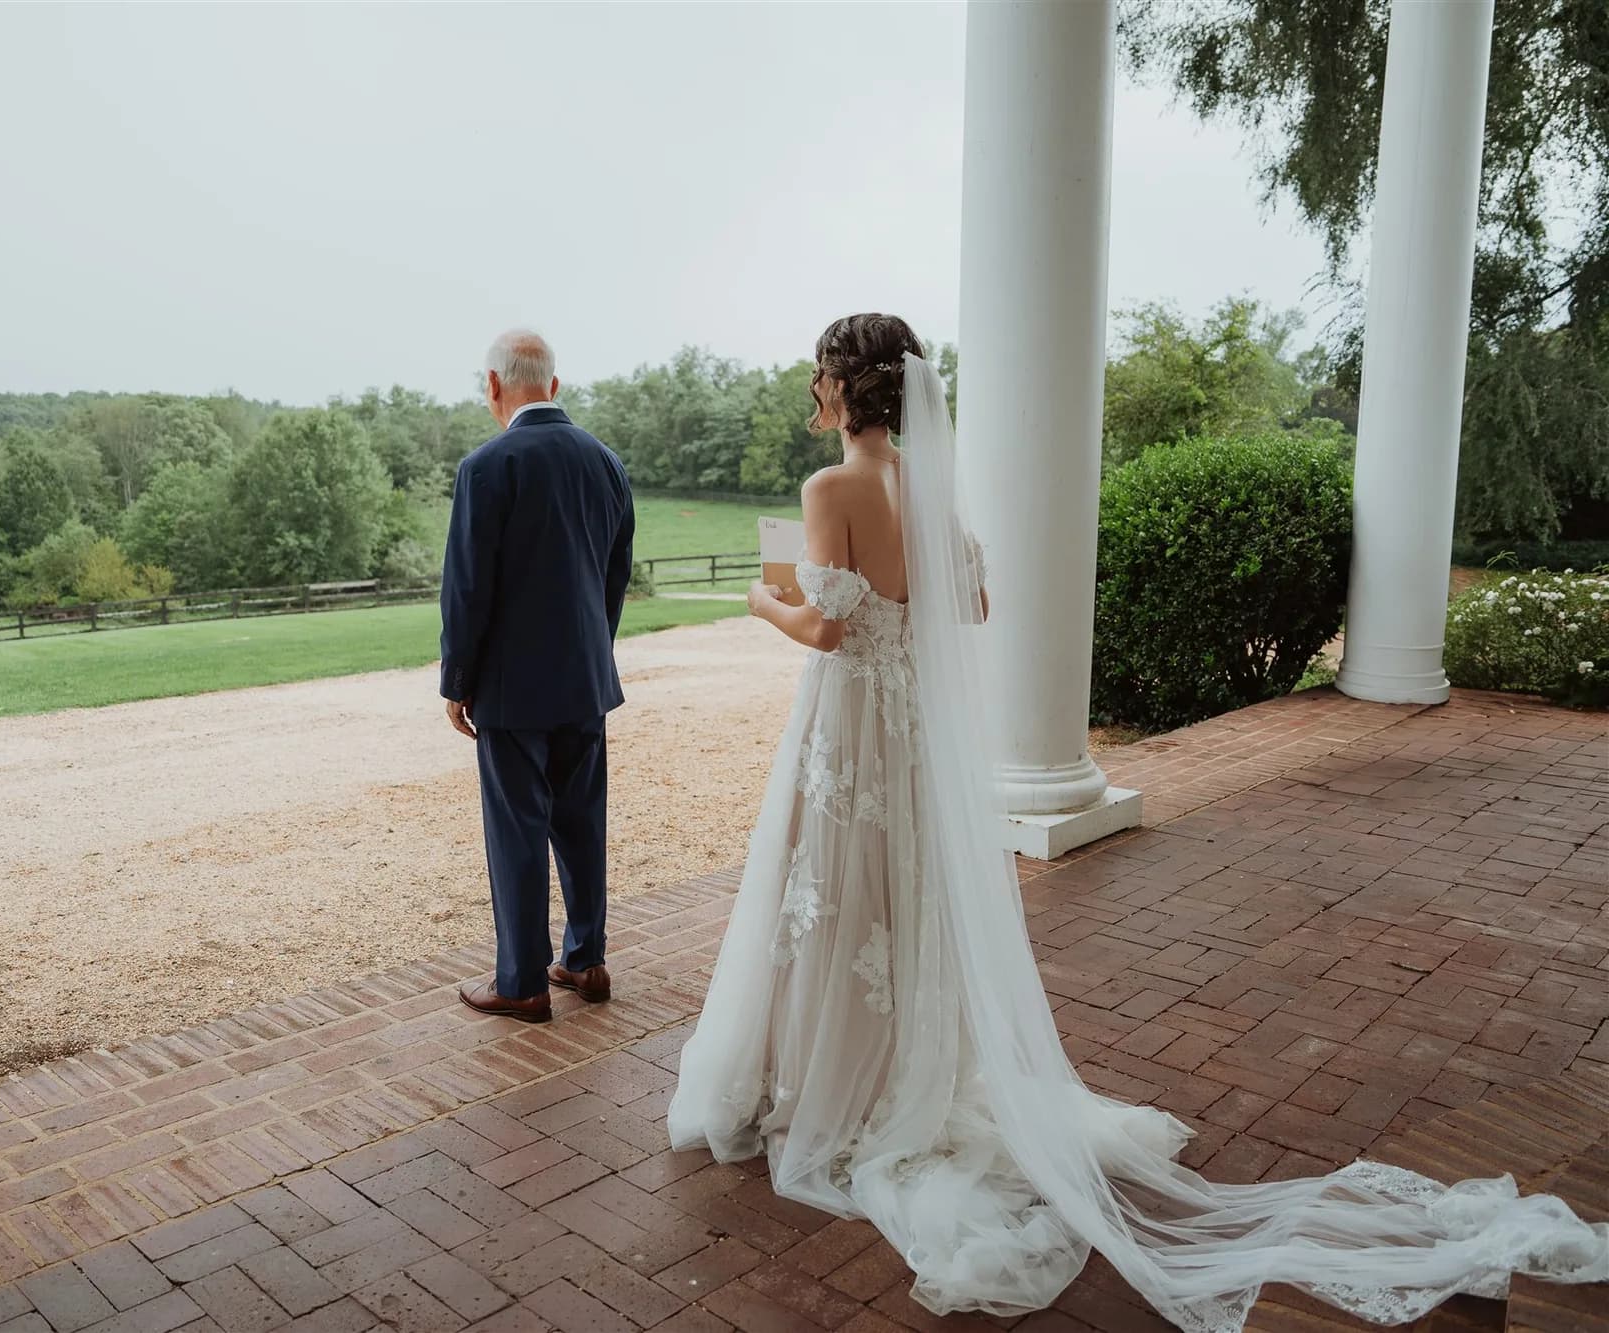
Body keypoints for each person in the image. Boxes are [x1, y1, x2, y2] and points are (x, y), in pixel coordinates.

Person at [667, 313, 1607, 1330]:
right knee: (900, 894)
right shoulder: (928, 486)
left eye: (819, 374)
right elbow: (971, 606)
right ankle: (897, 1069)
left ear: (843, 388)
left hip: (850, 730)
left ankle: (833, 1084)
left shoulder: (827, 489)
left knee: (836, 895)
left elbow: (830, 627)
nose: (814, 388)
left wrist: (765, 603)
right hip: (915, 746)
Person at [440, 329, 636, 1024]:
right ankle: (585, 959)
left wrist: (456, 679)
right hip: (585, 677)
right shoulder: (607, 463)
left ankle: (521, 979)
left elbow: (468, 588)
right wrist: (591, 651)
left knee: (517, 829)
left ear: (493, 386)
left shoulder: (487, 466)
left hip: (512, 688)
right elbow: (614, 576)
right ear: (553, 386)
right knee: (583, 822)